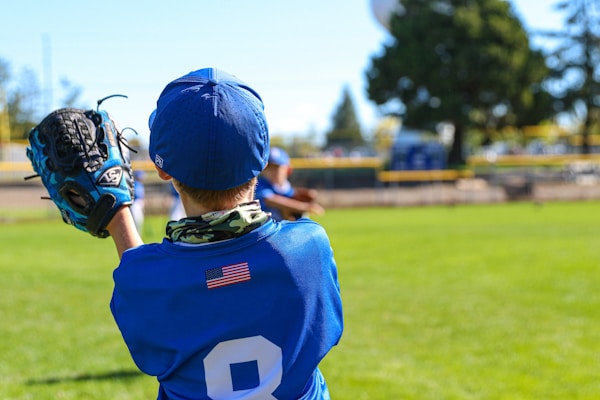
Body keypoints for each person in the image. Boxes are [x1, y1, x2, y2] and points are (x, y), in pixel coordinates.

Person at [106, 67, 343, 400]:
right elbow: (233, 276)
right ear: (262, 159)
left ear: (161, 168)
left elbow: (166, 282)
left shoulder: (142, 275)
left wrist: (117, 216)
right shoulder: (308, 248)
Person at [256, 147, 324, 221]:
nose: (272, 171)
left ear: (288, 169)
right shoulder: (259, 184)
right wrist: (302, 207)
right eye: (269, 167)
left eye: (277, 167)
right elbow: (270, 199)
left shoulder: (289, 190)